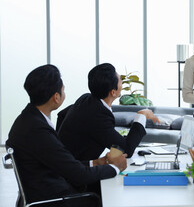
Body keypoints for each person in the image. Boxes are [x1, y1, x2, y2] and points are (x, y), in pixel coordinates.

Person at [6, 64, 127, 207]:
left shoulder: (28, 120)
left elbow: (65, 164)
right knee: (110, 195)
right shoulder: (38, 131)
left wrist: (96, 162)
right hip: (53, 199)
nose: (64, 91)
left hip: (45, 189)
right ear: (56, 97)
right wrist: (115, 167)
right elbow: (78, 175)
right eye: (63, 89)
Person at [58, 63, 159, 162]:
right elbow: (126, 150)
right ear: (113, 92)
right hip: (78, 171)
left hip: (65, 163)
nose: (121, 81)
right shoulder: (98, 115)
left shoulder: (86, 99)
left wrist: (59, 144)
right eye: (120, 80)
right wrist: (142, 115)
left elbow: (61, 114)